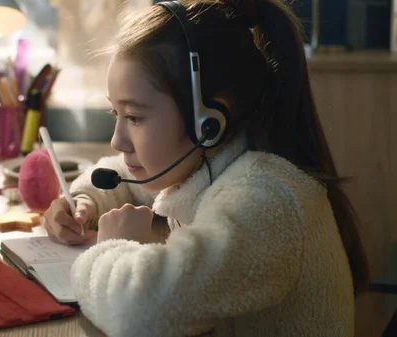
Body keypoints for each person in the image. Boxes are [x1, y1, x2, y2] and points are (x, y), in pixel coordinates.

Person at [42, 0, 369, 336]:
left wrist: (112, 247)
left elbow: (140, 313)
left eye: (135, 117)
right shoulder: (208, 164)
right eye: (116, 115)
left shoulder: (265, 200)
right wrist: (85, 201)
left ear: (207, 122)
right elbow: (124, 177)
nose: (117, 140)